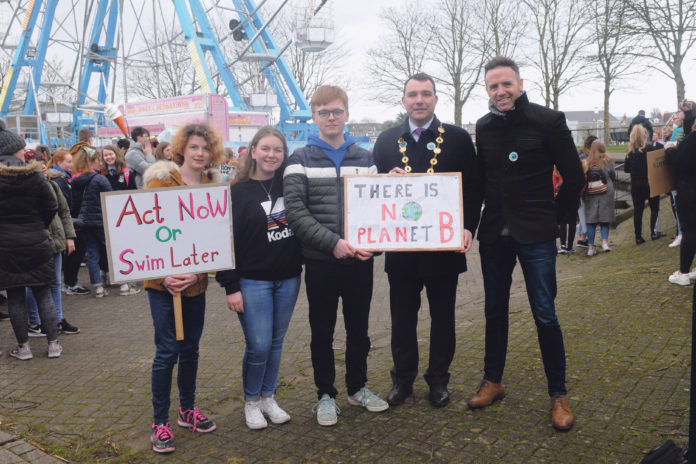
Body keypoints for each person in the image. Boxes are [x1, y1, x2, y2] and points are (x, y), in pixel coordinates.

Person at [468, 56, 584, 431]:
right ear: (487, 91)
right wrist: (469, 226)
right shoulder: (483, 127)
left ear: (519, 83)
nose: (500, 92)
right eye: (493, 86)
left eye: (506, 84)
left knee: (545, 313)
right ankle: (493, 381)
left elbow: (573, 175)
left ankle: (558, 394)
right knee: (494, 311)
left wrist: (557, 218)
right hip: (495, 234)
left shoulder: (548, 120)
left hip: (535, 233)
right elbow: (480, 182)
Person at [372, 73, 483, 408]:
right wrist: (383, 182)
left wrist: (468, 227)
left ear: (436, 99)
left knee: (443, 318)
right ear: (403, 100)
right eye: (412, 94)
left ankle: (438, 380)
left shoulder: (459, 139)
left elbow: (474, 188)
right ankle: (402, 381)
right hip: (402, 251)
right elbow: (373, 196)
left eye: (426, 94)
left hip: (443, 250)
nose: (419, 100)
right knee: (402, 319)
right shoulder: (386, 140)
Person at [284, 85, 388, 427]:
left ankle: (357, 387)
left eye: (337, 111)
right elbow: (296, 213)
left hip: (360, 261)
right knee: (322, 331)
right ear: (314, 117)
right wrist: (333, 243)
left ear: (347, 115)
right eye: (324, 112)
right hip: (322, 262)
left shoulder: (366, 158)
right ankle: (325, 395)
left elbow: (381, 211)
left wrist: (377, 244)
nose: (331, 117)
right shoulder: (298, 159)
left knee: (359, 330)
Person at [142, 123, 223, 453]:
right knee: (166, 352)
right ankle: (159, 421)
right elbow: (142, 232)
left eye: (205, 148)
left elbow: (215, 237)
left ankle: (187, 409)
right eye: (194, 147)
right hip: (162, 285)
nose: (200, 153)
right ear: (182, 150)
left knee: (190, 348)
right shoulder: (161, 181)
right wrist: (164, 276)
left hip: (195, 283)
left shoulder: (212, 186)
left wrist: (199, 272)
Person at [216, 127, 302, 430]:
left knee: (276, 343)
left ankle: (269, 397)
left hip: (289, 277)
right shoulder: (235, 191)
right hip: (252, 281)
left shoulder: (290, 185)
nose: (271, 155)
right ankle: (251, 402)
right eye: (265, 148)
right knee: (259, 344)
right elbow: (223, 241)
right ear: (252, 151)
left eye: (278, 150)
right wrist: (231, 286)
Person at [0, 123, 62, 359]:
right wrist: (39, 226)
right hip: (37, 241)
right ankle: (53, 345)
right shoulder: (34, 175)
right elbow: (51, 205)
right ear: (14, 149)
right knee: (43, 292)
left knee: (15, 296)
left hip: (6, 245)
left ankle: (24, 348)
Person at [24, 150, 80, 336]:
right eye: (37, 165)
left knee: (55, 283)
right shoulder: (25, 189)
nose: (42, 167)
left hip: (56, 242)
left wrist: (69, 237)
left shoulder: (53, 186)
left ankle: (57, 319)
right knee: (35, 283)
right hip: (37, 243)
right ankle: (34, 322)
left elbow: (64, 212)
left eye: (43, 164)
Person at [71, 147, 113, 298]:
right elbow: (111, 200)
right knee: (110, 251)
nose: (100, 162)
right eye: (98, 159)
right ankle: (122, 282)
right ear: (91, 161)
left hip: (84, 222)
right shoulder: (100, 179)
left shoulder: (75, 180)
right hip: (101, 221)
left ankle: (98, 287)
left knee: (92, 254)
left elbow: (74, 203)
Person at [100, 145, 141, 296]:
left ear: (116, 155)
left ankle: (128, 276)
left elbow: (133, 194)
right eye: (105, 155)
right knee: (107, 247)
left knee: (126, 246)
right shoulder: (101, 174)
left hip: (125, 217)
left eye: (111, 154)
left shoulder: (127, 173)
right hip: (107, 217)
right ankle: (107, 273)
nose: (109, 157)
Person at [666, 100, 696, 285]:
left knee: (690, 231)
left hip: (690, 191)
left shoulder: (693, 140)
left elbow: (680, 162)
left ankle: (683, 273)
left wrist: (669, 151)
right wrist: (690, 110)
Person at [624, 125, 665, 244]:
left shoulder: (630, 152)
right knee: (654, 208)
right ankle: (654, 232)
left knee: (638, 211)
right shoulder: (650, 149)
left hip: (636, 184)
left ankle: (638, 237)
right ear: (645, 135)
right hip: (649, 182)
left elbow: (626, 169)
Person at [584, 141, 616, 256]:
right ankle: (604, 243)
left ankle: (591, 247)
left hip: (591, 193)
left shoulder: (587, 162)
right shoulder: (607, 161)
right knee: (604, 219)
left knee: (591, 221)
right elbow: (613, 175)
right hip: (606, 192)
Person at [576, 136, 596, 248]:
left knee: (582, 214)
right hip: (585, 189)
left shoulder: (580, 154)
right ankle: (584, 238)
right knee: (585, 214)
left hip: (580, 189)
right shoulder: (586, 157)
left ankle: (582, 238)